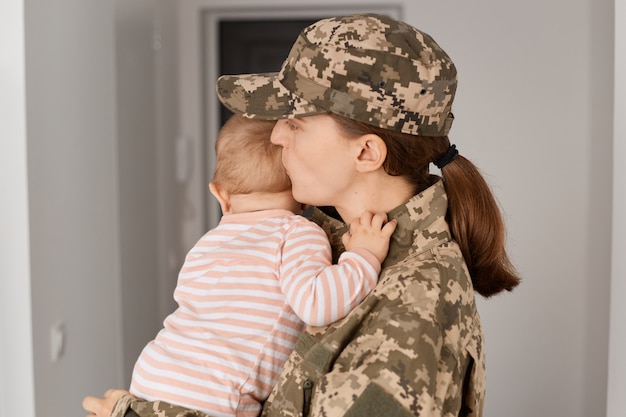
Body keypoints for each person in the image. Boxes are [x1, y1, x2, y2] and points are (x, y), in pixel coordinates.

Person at [84, 13, 520, 417]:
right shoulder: (316, 232)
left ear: (366, 152)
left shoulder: (415, 307)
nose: (275, 133)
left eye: (296, 121)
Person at [85, 113, 397, 417]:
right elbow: (316, 303)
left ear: (220, 194)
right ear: (303, 198)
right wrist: (363, 256)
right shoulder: (296, 232)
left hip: (153, 373)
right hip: (216, 394)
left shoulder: (208, 243)